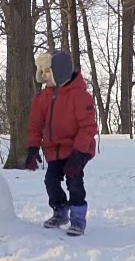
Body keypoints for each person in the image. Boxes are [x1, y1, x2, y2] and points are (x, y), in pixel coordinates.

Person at [24, 51, 97, 236]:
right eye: (42, 71)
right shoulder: (42, 98)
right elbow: (35, 124)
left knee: (74, 182)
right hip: (53, 150)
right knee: (51, 181)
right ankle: (60, 211)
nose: (44, 75)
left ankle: (78, 218)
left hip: (76, 150)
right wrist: (33, 148)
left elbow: (88, 127)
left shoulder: (80, 96)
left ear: (60, 71)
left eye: (48, 71)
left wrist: (78, 154)